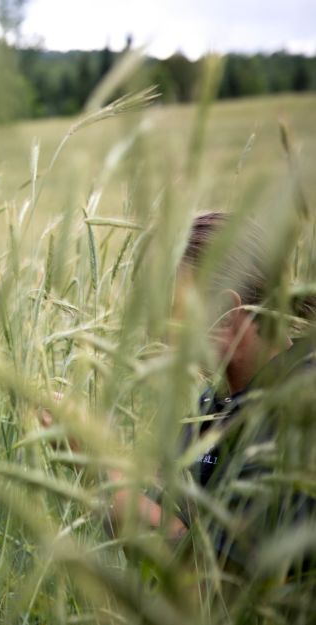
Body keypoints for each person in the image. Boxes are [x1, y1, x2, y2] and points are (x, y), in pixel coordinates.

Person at [101, 212, 314, 572]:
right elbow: (169, 514)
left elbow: (215, 586)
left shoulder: (297, 412)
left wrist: (106, 475)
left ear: (228, 313)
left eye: (176, 314)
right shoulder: (212, 402)